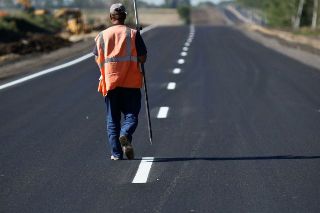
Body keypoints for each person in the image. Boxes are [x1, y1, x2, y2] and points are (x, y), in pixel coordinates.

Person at [93, 3, 147, 160]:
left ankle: (116, 153)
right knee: (131, 116)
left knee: (112, 120)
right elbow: (143, 58)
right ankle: (125, 134)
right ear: (125, 16)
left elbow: (97, 58)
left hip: (110, 83)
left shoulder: (102, 36)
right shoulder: (133, 34)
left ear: (111, 17)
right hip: (131, 83)